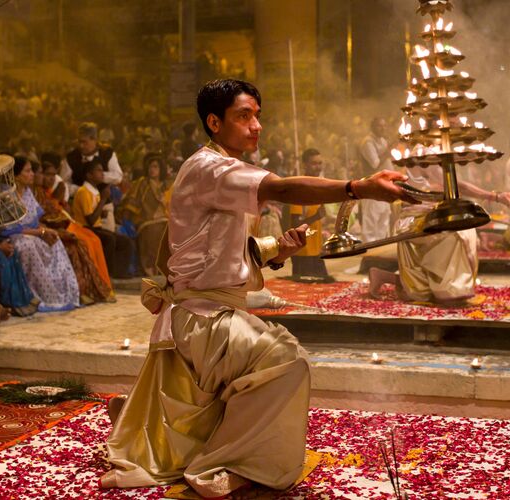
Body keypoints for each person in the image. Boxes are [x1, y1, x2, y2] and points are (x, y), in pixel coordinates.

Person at [101, 79, 416, 497]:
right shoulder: (209, 167)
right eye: (244, 116)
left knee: (267, 354)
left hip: (210, 310)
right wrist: (357, 188)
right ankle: (230, 462)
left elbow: (211, 252)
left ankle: (148, 425)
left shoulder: (217, 167)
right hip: (202, 319)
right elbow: (281, 188)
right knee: (286, 359)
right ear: (214, 122)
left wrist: (275, 249)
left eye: (258, 116)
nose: (256, 126)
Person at [369, 164, 510, 304]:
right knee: (456, 235)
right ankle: (448, 291)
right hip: (415, 220)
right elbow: (457, 186)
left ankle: (384, 276)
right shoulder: (424, 155)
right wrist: (495, 197)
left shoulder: (434, 151)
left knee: (462, 231)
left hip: (432, 216)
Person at [0, 156, 80, 312]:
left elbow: (34, 221)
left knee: (54, 239)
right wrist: (41, 232)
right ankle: (33, 296)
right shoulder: (5, 194)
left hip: (30, 233)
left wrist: (46, 231)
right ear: (16, 175)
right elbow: (11, 228)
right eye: (28, 171)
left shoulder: (27, 192)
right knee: (28, 245)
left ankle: (60, 294)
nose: (32, 174)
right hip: (10, 236)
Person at [32, 161, 113, 304]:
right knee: (81, 243)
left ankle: (96, 288)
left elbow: (61, 211)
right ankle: (83, 291)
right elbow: (46, 215)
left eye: (53, 175)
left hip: (63, 226)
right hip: (50, 228)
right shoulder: (36, 192)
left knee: (93, 240)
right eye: (46, 174)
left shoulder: (45, 192)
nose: (51, 178)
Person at [71, 160, 136, 279]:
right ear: (89, 175)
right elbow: (90, 220)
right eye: (99, 170)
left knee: (125, 241)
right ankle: (106, 274)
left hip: (96, 228)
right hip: (85, 229)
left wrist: (102, 212)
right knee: (109, 239)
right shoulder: (84, 192)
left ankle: (119, 272)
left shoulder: (94, 191)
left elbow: (94, 214)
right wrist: (103, 200)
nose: (102, 173)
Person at [61, 122, 123, 232]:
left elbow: (118, 176)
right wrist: (81, 190)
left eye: (84, 142)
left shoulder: (107, 153)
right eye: (79, 142)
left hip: (104, 205)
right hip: (81, 208)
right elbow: (63, 184)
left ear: (94, 140)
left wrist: (98, 177)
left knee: (109, 238)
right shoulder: (71, 157)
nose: (81, 145)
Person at [118, 154, 171, 276]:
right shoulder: (142, 183)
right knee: (155, 231)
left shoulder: (166, 185)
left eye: (155, 167)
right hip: (146, 220)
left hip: (165, 218)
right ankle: (152, 269)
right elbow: (132, 201)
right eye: (150, 167)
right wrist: (125, 217)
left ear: (161, 169)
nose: (151, 169)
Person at [285, 148, 332, 282]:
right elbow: (295, 224)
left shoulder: (317, 186)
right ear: (305, 165)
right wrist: (316, 216)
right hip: (303, 254)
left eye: (320, 163)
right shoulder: (300, 187)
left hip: (316, 252)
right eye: (314, 163)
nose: (318, 167)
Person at [358, 117, 393, 243]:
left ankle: (381, 248)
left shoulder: (383, 141)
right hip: (372, 186)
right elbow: (375, 164)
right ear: (372, 127)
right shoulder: (368, 142)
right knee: (371, 220)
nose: (383, 128)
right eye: (379, 126)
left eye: (384, 126)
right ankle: (370, 251)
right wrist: (388, 151)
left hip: (385, 185)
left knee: (383, 219)